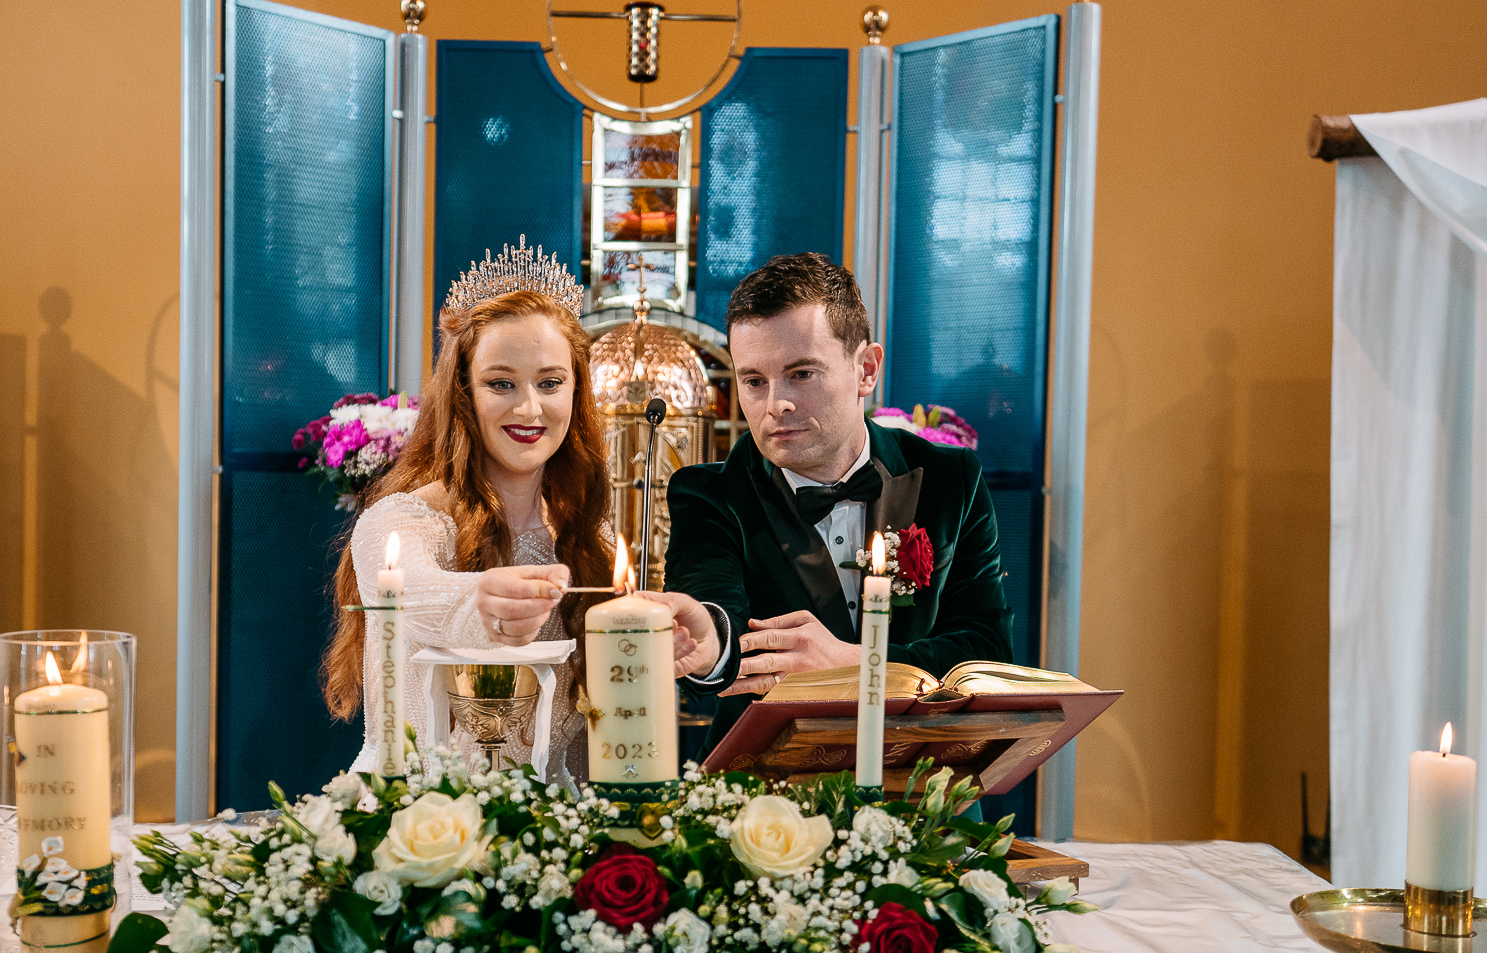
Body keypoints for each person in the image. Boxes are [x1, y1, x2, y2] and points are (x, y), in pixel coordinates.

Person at [660, 252, 1016, 768]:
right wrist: (709, 640)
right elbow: (718, 618)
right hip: (767, 802)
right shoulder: (709, 494)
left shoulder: (950, 478)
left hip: (930, 788)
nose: (775, 404)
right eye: (753, 380)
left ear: (865, 369)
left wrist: (856, 666)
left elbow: (988, 651)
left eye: (801, 373)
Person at [322, 243, 627, 785]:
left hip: (549, 831)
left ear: (577, 393)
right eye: (501, 383)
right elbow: (412, 591)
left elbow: (583, 738)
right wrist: (479, 602)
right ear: (463, 391)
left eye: (551, 383)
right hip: (414, 822)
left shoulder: (588, 535)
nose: (530, 408)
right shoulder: (399, 522)